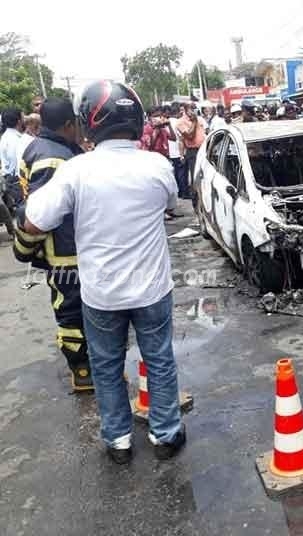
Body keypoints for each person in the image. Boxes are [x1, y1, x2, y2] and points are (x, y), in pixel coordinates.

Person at [22, 81, 186, 464]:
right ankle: (166, 435)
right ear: (136, 119)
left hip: (100, 293)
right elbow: (172, 203)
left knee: (107, 366)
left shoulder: (76, 170)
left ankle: (118, 442)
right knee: (159, 359)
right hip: (152, 289)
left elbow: (34, 222)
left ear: (89, 122)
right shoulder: (157, 165)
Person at [13, 97, 91, 391]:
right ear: (69, 125)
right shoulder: (53, 158)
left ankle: (87, 365)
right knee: (72, 311)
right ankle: (82, 369)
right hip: (65, 249)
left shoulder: (40, 147)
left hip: (65, 246)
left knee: (76, 308)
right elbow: (40, 211)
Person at [176, 103, 206, 209]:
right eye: (191, 109)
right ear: (185, 110)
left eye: (194, 108)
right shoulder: (180, 123)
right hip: (193, 152)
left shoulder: (200, 119)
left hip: (204, 150)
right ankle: (197, 206)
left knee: (206, 177)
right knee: (196, 178)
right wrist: (194, 122)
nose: (193, 111)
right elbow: (189, 136)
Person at [0, 108, 23, 238]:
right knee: (23, 207)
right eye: (22, 116)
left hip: (10, 178)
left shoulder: (6, 137)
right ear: (19, 121)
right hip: (17, 178)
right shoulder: (14, 140)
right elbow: (18, 162)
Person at [167, 105, 190, 200]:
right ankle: (184, 192)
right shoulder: (178, 122)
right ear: (177, 112)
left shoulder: (166, 122)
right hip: (179, 151)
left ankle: (179, 191)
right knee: (182, 173)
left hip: (170, 152)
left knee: (176, 172)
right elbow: (181, 138)